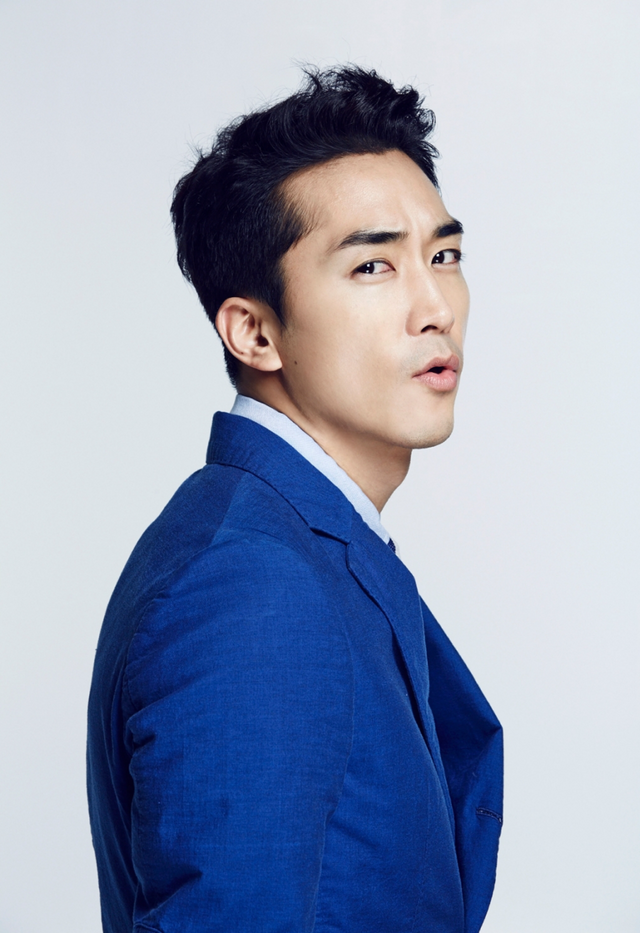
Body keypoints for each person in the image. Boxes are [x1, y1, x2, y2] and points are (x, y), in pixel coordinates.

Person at [87, 65, 503, 933]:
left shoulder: (293, 543)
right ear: (254, 330)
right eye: (372, 265)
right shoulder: (250, 584)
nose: (436, 306)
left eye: (444, 256)